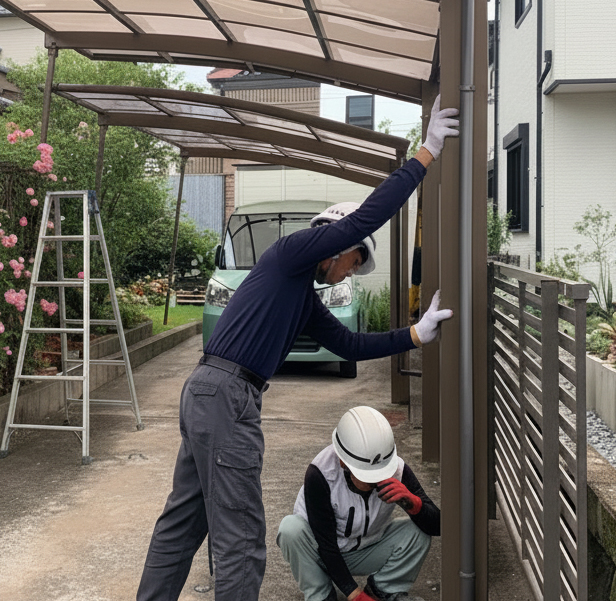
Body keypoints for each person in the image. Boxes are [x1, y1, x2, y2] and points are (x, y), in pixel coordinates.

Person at [137, 95, 457, 601]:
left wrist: (415, 335)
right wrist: (426, 154)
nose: (350, 273)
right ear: (336, 245)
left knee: (184, 520)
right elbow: (363, 219)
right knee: (242, 538)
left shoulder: (299, 294)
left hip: (209, 393)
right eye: (354, 262)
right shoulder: (291, 252)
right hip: (227, 397)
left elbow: (348, 344)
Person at [277, 406, 440, 601]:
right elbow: (327, 545)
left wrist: (414, 504)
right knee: (291, 529)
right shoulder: (320, 474)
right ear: (342, 462)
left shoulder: (397, 469)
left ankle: (384, 590)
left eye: (380, 473)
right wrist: (355, 594)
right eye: (367, 475)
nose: (375, 481)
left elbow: (437, 526)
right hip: (319, 555)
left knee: (418, 531)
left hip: (364, 550)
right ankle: (321, 594)